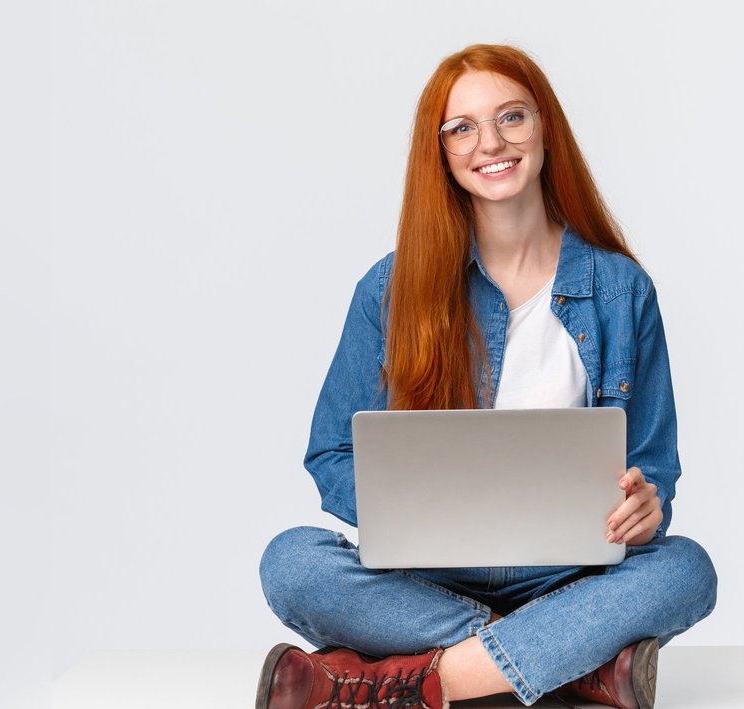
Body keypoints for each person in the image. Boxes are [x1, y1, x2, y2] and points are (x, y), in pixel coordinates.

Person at [255, 44, 718, 709]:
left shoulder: (621, 289)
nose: (491, 143)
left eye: (512, 117)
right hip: (427, 577)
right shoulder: (389, 289)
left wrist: (646, 507)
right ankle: (572, 663)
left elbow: (652, 468)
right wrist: (403, 509)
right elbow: (331, 450)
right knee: (291, 562)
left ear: (545, 128)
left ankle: (409, 682)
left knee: (685, 569)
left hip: (568, 576)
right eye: (462, 128)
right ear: (440, 152)